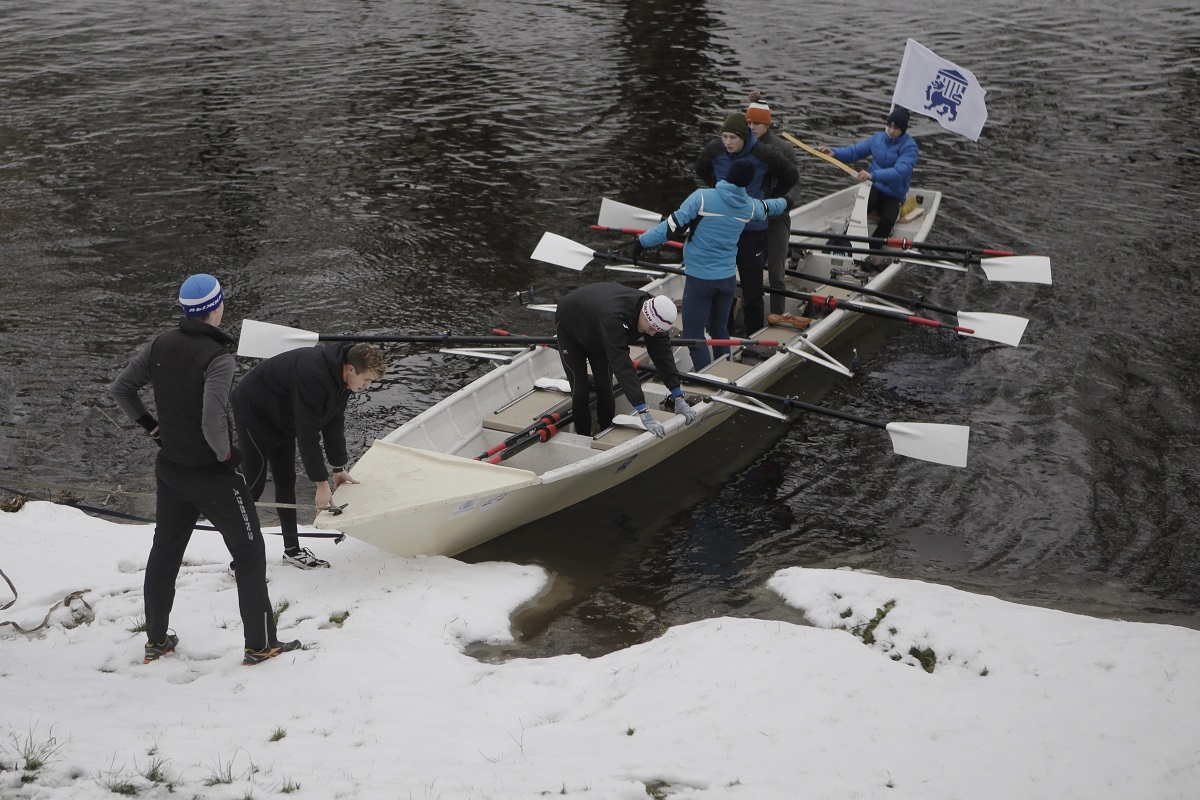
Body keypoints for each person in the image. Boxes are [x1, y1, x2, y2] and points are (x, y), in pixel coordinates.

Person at [109, 274, 300, 667]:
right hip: (213, 476)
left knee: (165, 552)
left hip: (171, 469)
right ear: (218, 307)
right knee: (249, 555)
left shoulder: (159, 344)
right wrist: (228, 457)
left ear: (184, 310)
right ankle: (260, 645)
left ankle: (157, 641)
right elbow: (213, 417)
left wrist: (153, 428)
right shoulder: (219, 358)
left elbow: (121, 388)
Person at [232, 341, 387, 569]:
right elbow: (308, 435)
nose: (367, 385)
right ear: (351, 368)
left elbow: (333, 421)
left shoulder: (343, 380)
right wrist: (321, 484)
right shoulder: (315, 376)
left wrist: (338, 467)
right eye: (366, 380)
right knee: (253, 485)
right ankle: (241, 562)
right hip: (254, 410)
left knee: (286, 480)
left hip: (284, 414)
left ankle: (292, 551)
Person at [635, 159, 790, 370]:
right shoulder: (749, 207)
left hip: (700, 282)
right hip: (727, 281)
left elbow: (670, 229)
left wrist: (641, 242)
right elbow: (769, 207)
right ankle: (722, 370)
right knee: (720, 332)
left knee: (693, 335)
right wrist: (787, 201)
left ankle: (708, 377)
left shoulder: (701, 198)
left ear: (728, 174)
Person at [696, 111, 798, 333]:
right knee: (722, 284)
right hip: (723, 229)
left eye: (733, 138)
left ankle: (752, 335)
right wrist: (718, 191)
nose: (728, 142)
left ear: (744, 137)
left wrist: (770, 198)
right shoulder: (714, 150)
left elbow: (791, 175)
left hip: (752, 230)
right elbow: (701, 169)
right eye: (725, 137)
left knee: (752, 290)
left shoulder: (765, 153)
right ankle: (722, 331)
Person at [554, 282, 697, 439]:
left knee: (605, 387)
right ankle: (582, 439)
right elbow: (622, 365)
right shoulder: (615, 317)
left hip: (599, 329)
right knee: (580, 389)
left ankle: (605, 434)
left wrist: (678, 395)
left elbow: (663, 357)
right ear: (643, 314)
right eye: (651, 328)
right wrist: (643, 410)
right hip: (571, 326)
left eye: (657, 330)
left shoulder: (658, 317)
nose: (651, 333)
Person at [819, 106, 919, 266]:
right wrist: (835, 153)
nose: (892, 131)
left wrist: (873, 175)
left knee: (888, 219)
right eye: (890, 126)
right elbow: (854, 152)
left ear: (903, 130)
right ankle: (846, 241)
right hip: (874, 188)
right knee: (862, 208)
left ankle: (871, 251)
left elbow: (900, 172)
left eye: (896, 128)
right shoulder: (877, 139)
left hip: (893, 194)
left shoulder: (910, 148)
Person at [745, 94, 803, 317]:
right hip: (751, 221)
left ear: (767, 124)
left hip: (776, 220)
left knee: (777, 275)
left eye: (756, 124)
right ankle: (754, 317)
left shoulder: (783, 148)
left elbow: (796, 182)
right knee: (751, 273)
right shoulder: (743, 146)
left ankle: (778, 317)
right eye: (748, 123)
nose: (752, 128)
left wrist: (785, 202)